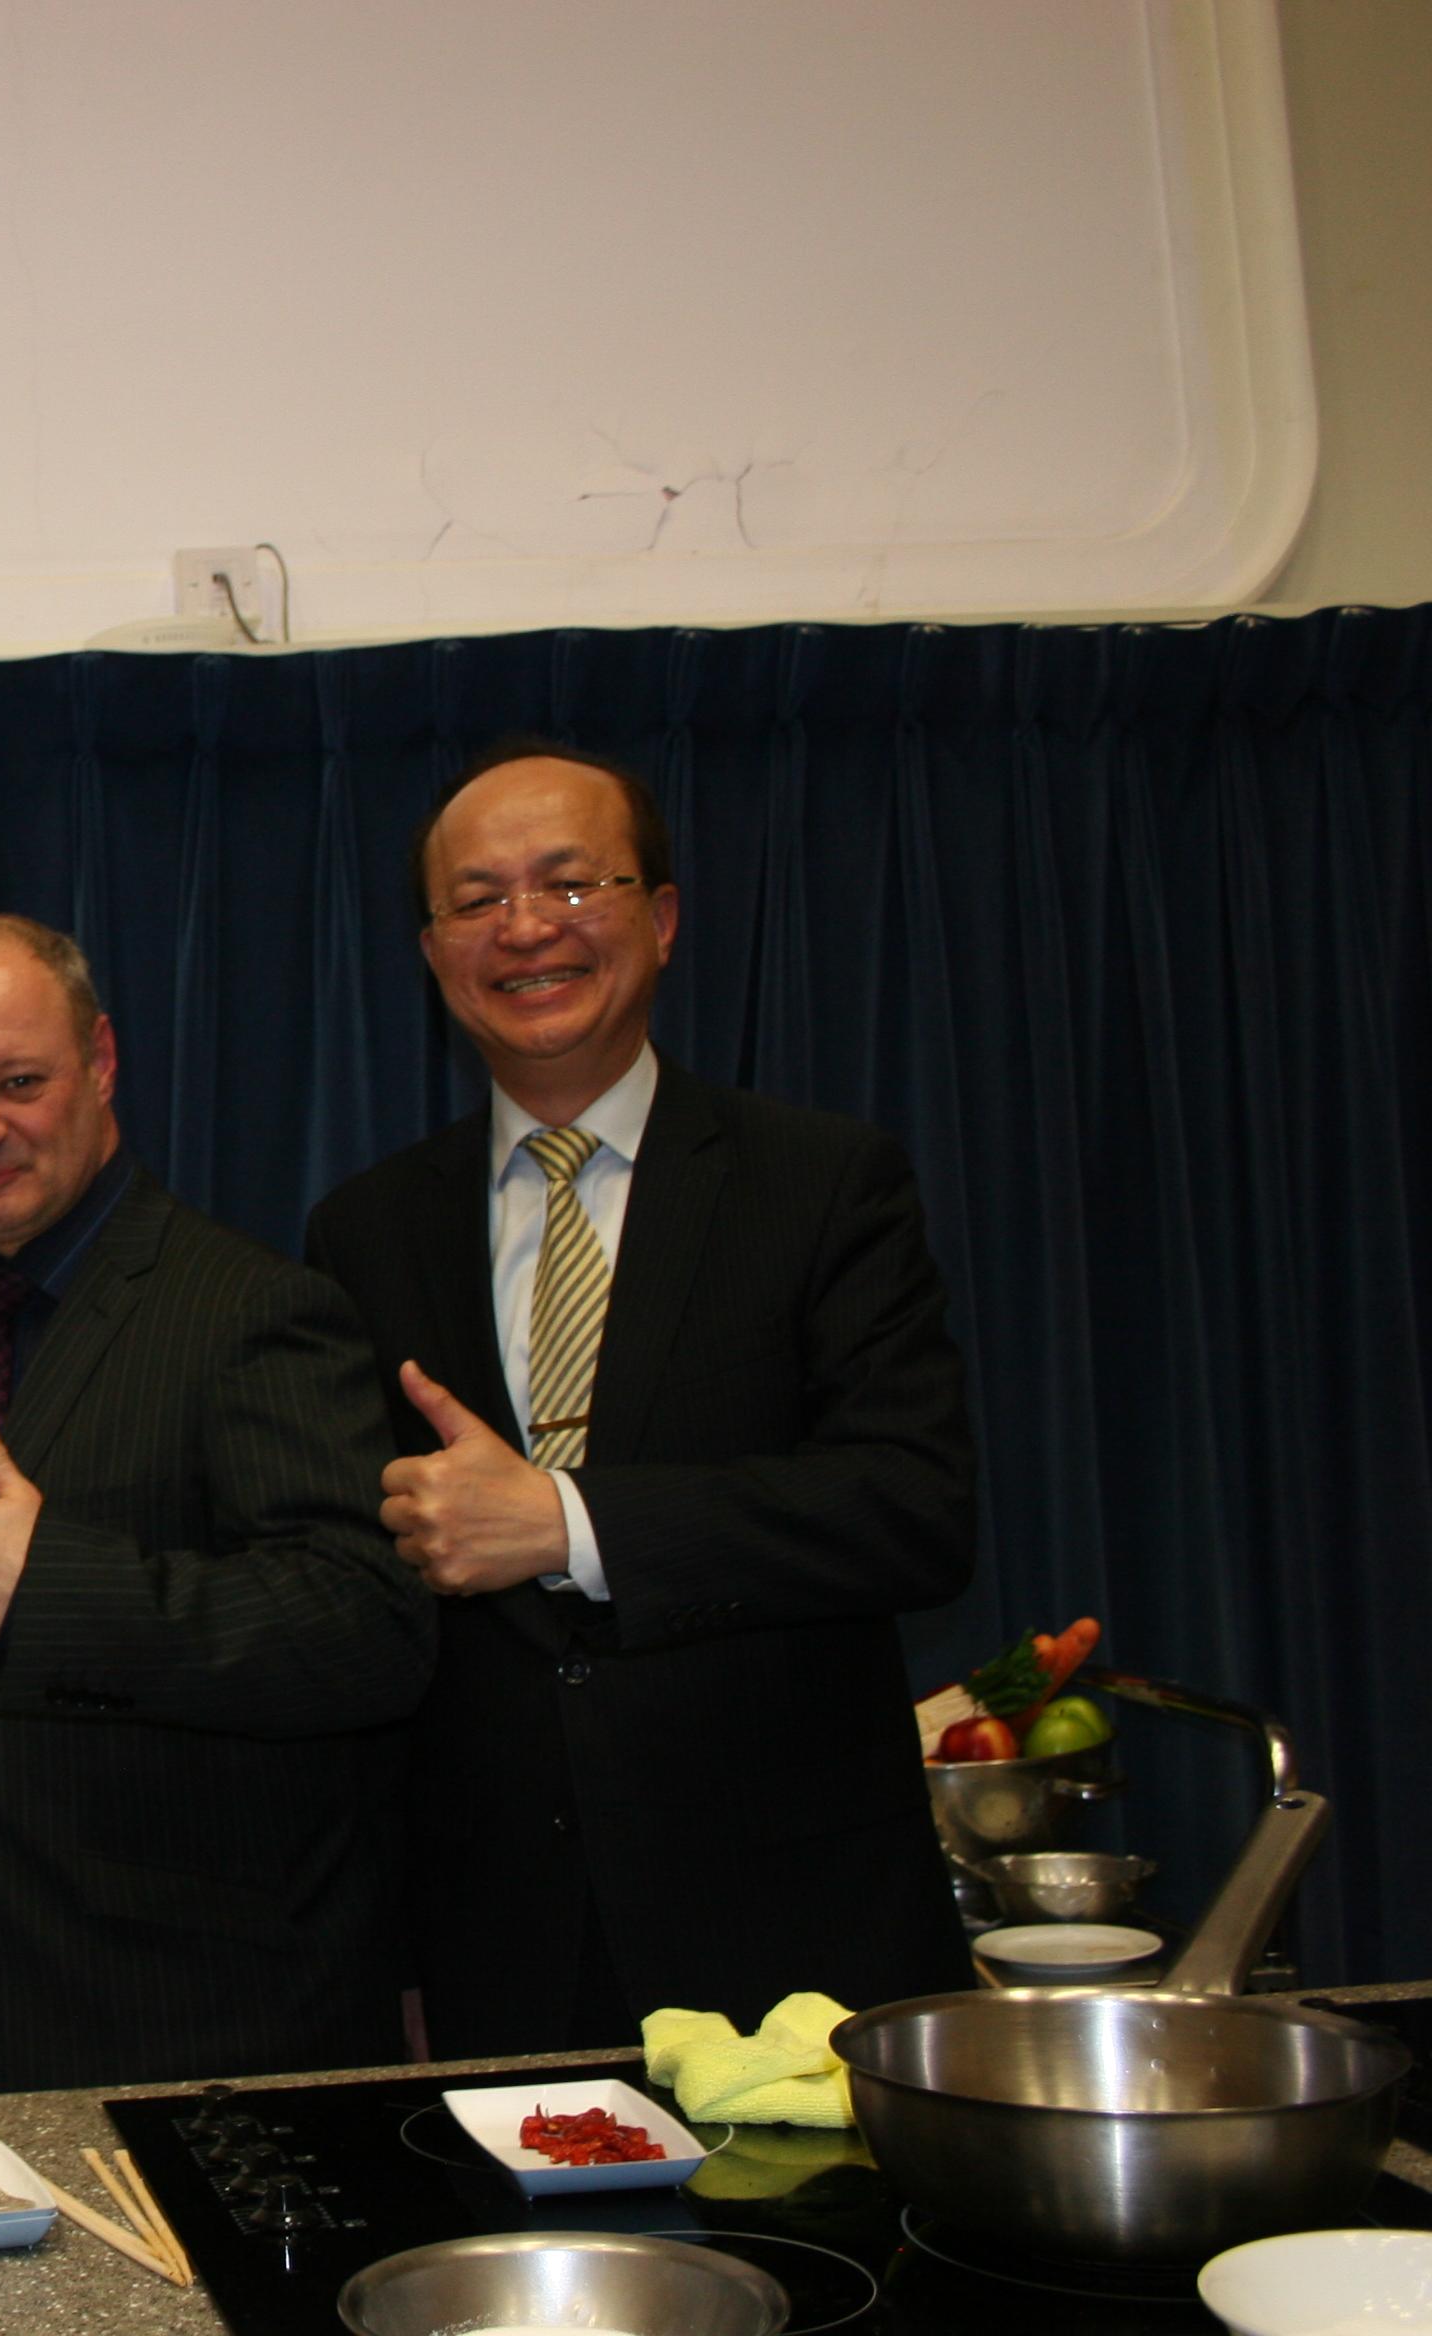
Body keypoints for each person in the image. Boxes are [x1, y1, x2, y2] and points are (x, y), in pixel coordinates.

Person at [303, 740, 976, 2057]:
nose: (525, 928)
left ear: (661, 919)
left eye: (571, 883)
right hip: (504, 1948)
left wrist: (567, 1523)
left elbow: (914, 1507)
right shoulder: (365, 1231)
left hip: (792, 1934)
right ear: (434, 953)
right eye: (478, 899)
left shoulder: (821, 1182)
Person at [0, 912, 432, 2093]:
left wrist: (51, 1589)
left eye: (17, 1081)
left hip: (208, 2028)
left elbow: (368, 1629)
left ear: (103, 1059)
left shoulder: (254, 1307)